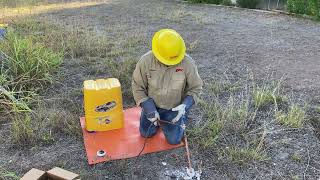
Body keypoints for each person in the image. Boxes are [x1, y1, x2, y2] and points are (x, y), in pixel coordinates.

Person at [132, 29, 203, 145]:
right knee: (146, 134)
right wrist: (149, 109)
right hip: (152, 106)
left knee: (174, 140)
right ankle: (150, 116)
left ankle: (182, 117)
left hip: (174, 108)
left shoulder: (188, 63)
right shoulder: (145, 61)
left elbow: (196, 88)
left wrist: (185, 106)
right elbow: (137, 86)